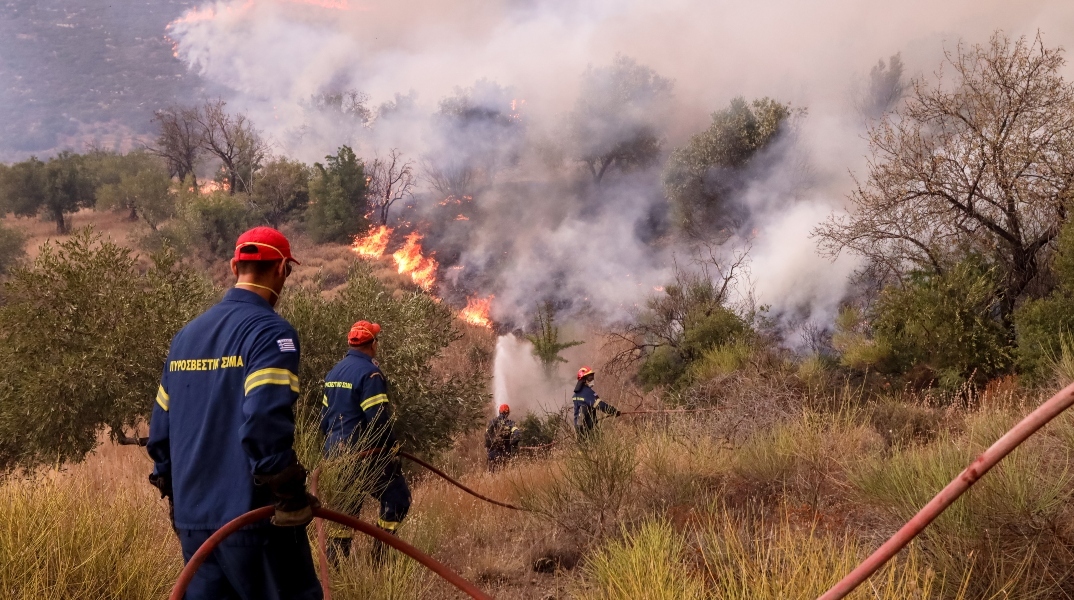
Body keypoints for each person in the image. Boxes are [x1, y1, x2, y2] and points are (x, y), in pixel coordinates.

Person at [146, 226, 322, 600]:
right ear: (282, 270)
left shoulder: (186, 336)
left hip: (195, 526)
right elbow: (263, 421)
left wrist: (176, 493)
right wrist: (288, 491)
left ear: (233, 267)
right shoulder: (272, 333)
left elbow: (160, 430)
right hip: (253, 522)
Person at [319, 320, 411, 563]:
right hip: (364, 454)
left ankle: (336, 565)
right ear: (373, 344)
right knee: (397, 499)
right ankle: (381, 556)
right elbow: (377, 418)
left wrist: (332, 449)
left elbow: (324, 419)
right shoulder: (370, 374)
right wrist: (391, 448)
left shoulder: (334, 372)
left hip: (335, 454)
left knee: (344, 512)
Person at [572, 366, 620, 439]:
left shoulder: (576, 395)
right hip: (589, 428)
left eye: (592, 377)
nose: (592, 379)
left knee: (583, 445)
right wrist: (614, 411)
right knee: (598, 442)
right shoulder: (588, 393)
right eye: (590, 378)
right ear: (583, 379)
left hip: (578, 428)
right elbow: (600, 405)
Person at [484, 404, 520, 471]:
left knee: (492, 474)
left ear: (499, 411)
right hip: (505, 454)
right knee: (504, 473)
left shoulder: (491, 422)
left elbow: (487, 436)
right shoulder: (510, 423)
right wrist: (512, 444)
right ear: (508, 413)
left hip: (491, 455)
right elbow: (517, 434)